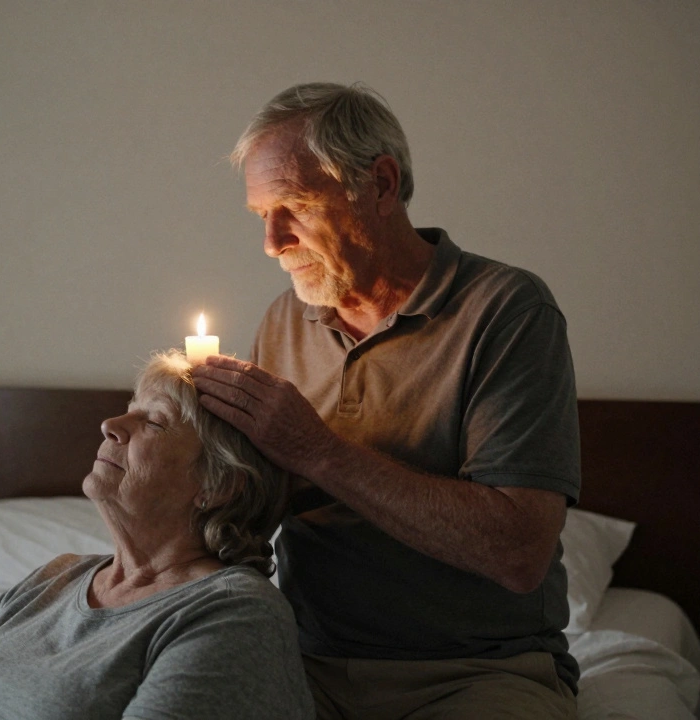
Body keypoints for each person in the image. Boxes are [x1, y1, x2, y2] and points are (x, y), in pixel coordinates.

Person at [191, 82, 582, 719]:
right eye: (260, 214)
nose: (272, 241)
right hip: (303, 659)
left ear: (380, 183)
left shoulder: (507, 312)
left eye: (293, 205)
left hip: (475, 671)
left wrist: (315, 450)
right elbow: (255, 517)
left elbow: (518, 552)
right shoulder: (283, 322)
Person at [0, 349, 314, 720]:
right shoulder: (54, 579)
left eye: (153, 422)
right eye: (128, 411)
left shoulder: (233, 612)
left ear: (218, 484)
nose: (110, 425)